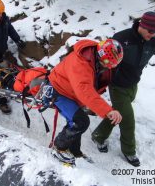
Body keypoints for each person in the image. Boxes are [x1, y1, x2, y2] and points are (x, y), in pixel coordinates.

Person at [91, 12, 155, 167]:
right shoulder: (122, 38)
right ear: (142, 25)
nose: (152, 35)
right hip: (117, 86)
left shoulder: (153, 42)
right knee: (127, 120)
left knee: (118, 113)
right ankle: (129, 151)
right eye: (150, 31)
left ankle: (98, 136)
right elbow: (103, 58)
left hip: (133, 86)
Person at [47, 38, 124, 166]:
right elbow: (85, 90)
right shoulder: (81, 63)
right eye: (110, 64)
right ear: (103, 58)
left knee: (77, 121)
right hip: (58, 90)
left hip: (70, 92)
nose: (110, 67)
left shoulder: (93, 56)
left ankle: (74, 151)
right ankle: (58, 148)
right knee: (80, 121)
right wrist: (108, 111)